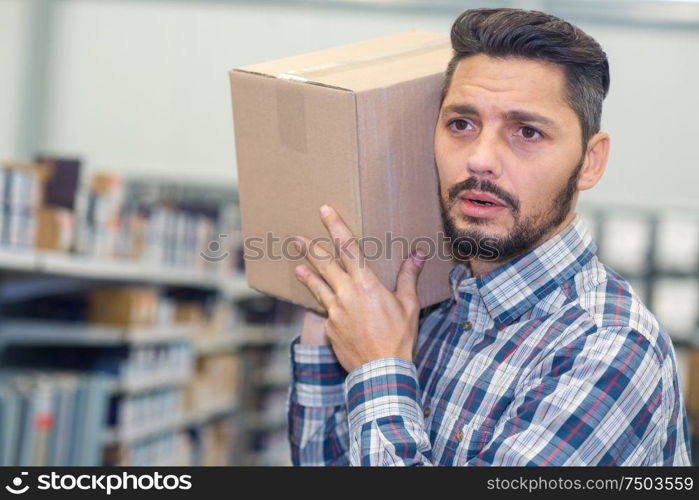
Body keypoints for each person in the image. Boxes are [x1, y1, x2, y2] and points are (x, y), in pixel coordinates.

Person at [286, 7, 692, 466]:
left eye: (527, 132)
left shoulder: (606, 348)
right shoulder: (434, 307)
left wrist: (378, 366)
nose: (480, 159)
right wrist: (326, 316)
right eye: (461, 124)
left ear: (590, 162)